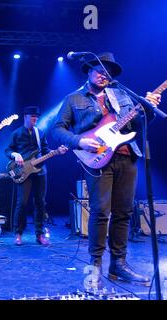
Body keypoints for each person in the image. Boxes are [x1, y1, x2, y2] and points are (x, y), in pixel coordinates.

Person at [52, 52, 161, 289]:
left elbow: (137, 125)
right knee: (101, 212)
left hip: (127, 157)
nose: (104, 75)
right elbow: (57, 129)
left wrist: (148, 110)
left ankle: (118, 264)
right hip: (96, 159)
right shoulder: (74, 99)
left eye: (108, 72)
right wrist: (79, 141)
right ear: (89, 71)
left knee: (124, 212)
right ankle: (95, 266)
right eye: (99, 70)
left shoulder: (121, 95)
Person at [5, 106, 68, 246]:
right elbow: (8, 150)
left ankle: (39, 235)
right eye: (32, 116)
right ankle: (18, 233)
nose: (35, 119)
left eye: (37, 117)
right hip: (23, 171)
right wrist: (15, 155)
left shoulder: (40, 133)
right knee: (21, 203)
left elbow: (45, 150)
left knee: (40, 203)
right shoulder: (16, 133)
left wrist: (57, 151)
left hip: (40, 171)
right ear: (25, 117)